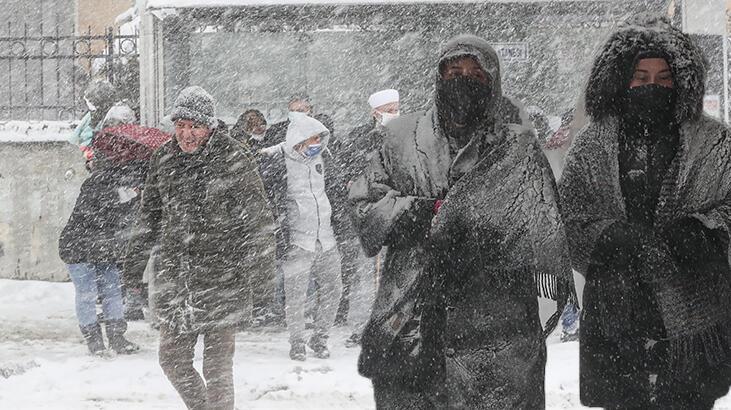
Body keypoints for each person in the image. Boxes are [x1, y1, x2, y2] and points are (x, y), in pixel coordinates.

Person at [349, 34, 533, 408]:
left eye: (475, 74)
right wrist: (422, 212)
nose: (463, 80)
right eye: (454, 71)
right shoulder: (400, 138)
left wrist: (483, 223)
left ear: (493, 81)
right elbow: (365, 207)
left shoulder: (516, 145)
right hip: (409, 326)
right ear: (438, 77)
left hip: (494, 329)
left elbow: (539, 223)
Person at [558, 15, 731, 409]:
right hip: (615, 317)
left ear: (682, 79)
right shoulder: (592, 144)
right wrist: (608, 237)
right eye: (640, 76)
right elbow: (568, 216)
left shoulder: (715, 141)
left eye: (664, 77)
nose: (653, 87)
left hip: (694, 320)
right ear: (620, 79)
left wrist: (704, 230)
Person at [123, 86, 275, 410]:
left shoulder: (234, 157)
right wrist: (133, 268)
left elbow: (259, 218)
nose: (186, 134)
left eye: (194, 126)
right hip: (179, 280)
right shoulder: (162, 159)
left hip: (225, 277)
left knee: (217, 370)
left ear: (210, 126)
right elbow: (148, 216)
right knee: (171, 360)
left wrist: (261, 274)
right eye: (180, 126)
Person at [264, 113, 343, 361]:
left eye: (320, 138)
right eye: (313, 139)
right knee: (296, 296)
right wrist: (279, 233)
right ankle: (296, 342)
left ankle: (320, 338)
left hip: (326, 238)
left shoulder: (325, 158)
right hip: (297, 240)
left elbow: (336, 192)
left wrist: (340, 223)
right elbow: (269, 199)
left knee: (334, 289)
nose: (317, 144)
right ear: (299, 139)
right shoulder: (278, 160)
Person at [330, 89, 400, 344]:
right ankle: (361, 326)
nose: (395, 114)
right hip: (368, 218)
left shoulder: (407, 136)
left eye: (397, 108)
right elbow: (351, 179)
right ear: (376, 112)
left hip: (398, 215)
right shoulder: (360, 140)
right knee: (363, 276)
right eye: (390, 110)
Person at [58, 152, 145, 356]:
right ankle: (95, 341)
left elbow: (122, 219)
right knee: (87, 293)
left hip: (103, 249)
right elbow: (104, 213)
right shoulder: (99, 184)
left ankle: (116, 337)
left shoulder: (121, 188)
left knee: (112, 292)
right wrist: (129, 197)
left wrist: (133, 198)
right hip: (79, 248)